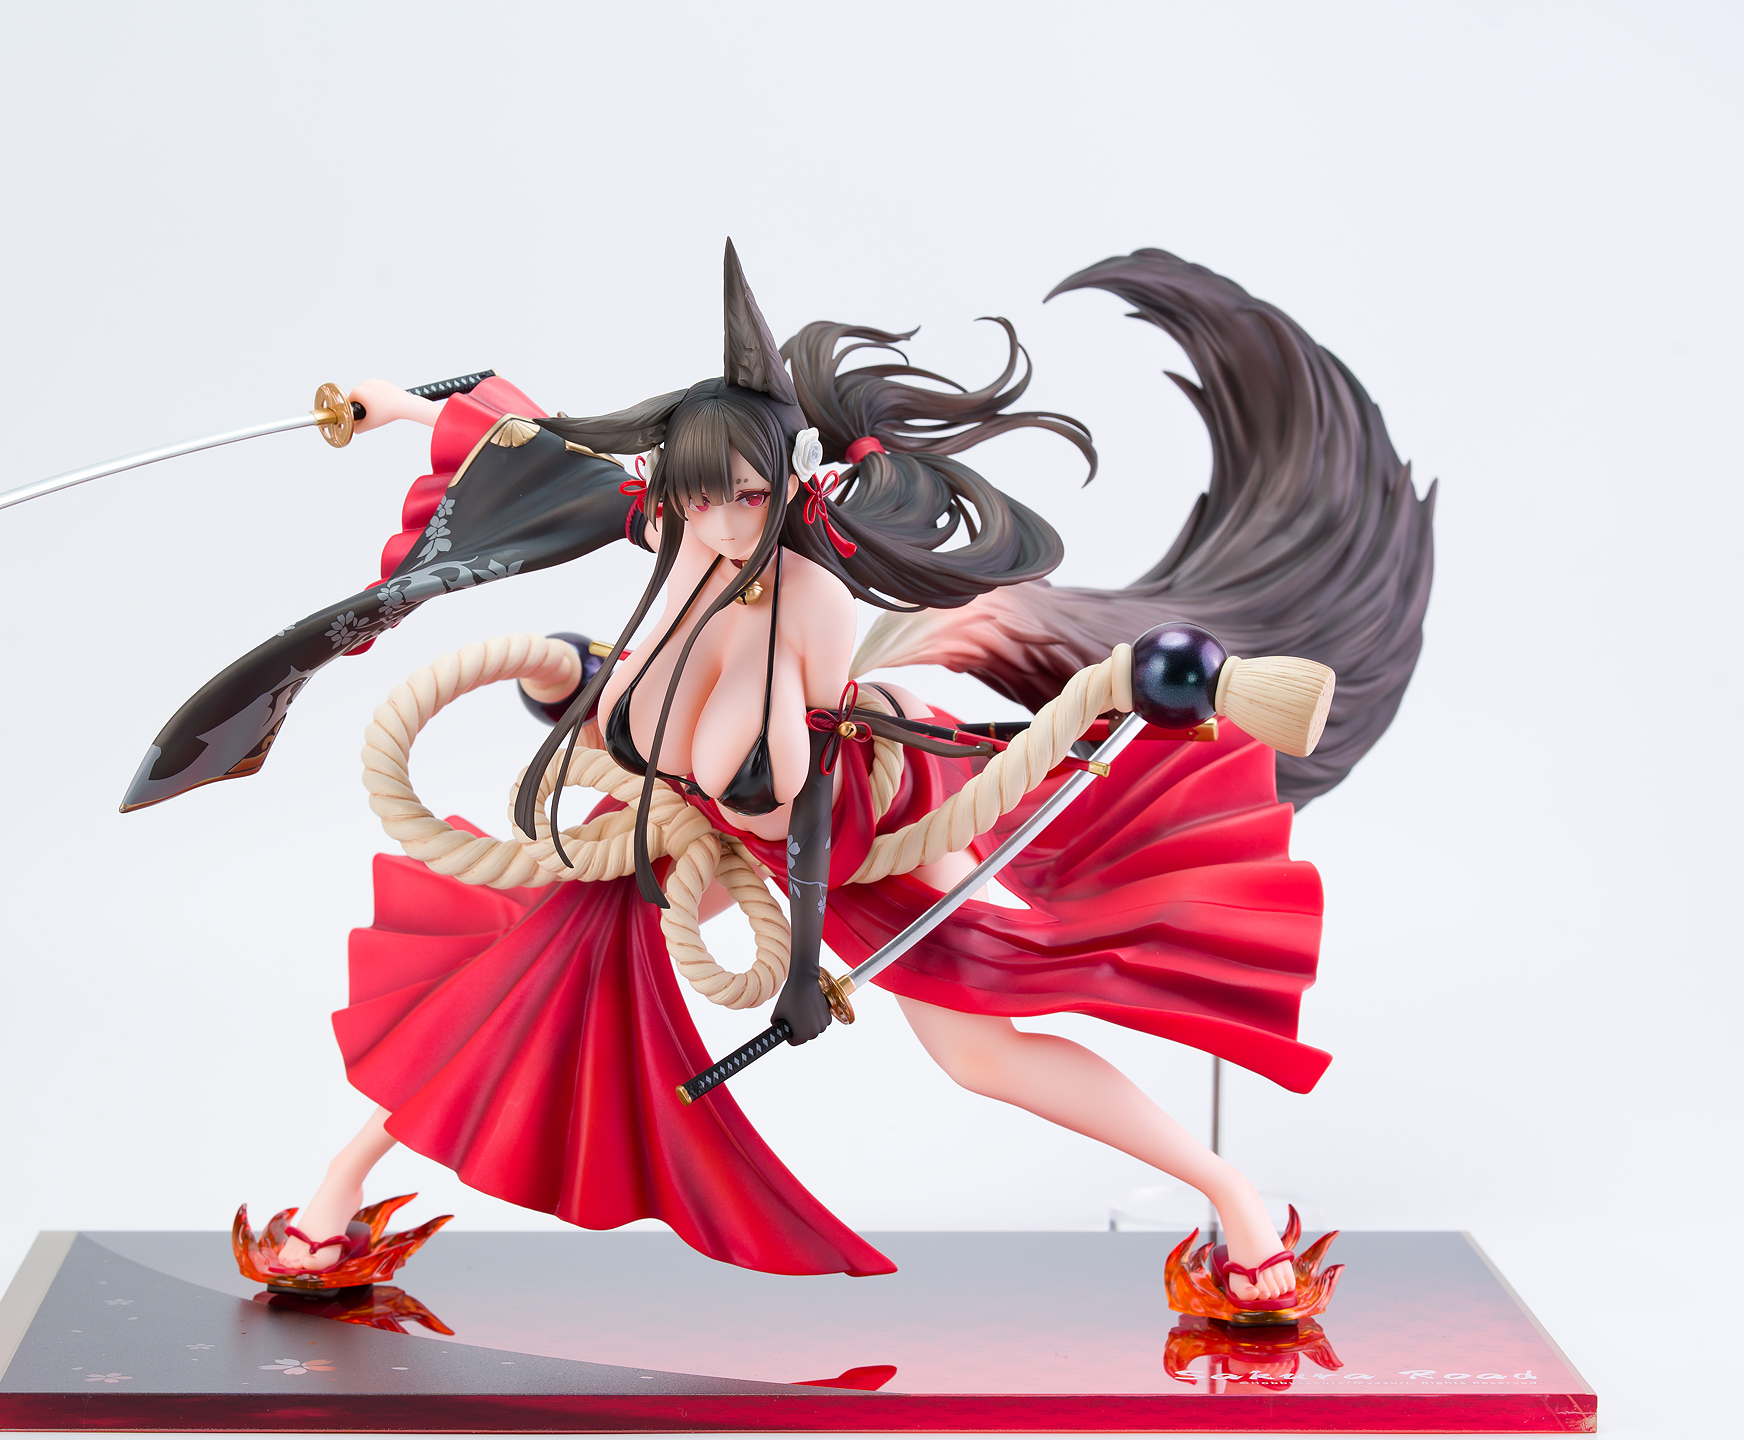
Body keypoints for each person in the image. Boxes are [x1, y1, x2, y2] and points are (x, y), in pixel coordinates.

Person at [224, 243, 1435, 1307]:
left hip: (853, 822)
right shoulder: (672, 522)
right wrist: (393, 406)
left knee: (981, 1051)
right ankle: (334, 1198)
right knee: (522, 970)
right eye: (703, 499)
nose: (725, 523)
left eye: (749, 499)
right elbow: (527, 434)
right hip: (685, 812)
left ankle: (1237, 1202)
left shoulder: (803, 599)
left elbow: (793, 806)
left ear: (786, 489)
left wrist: (802, 968)